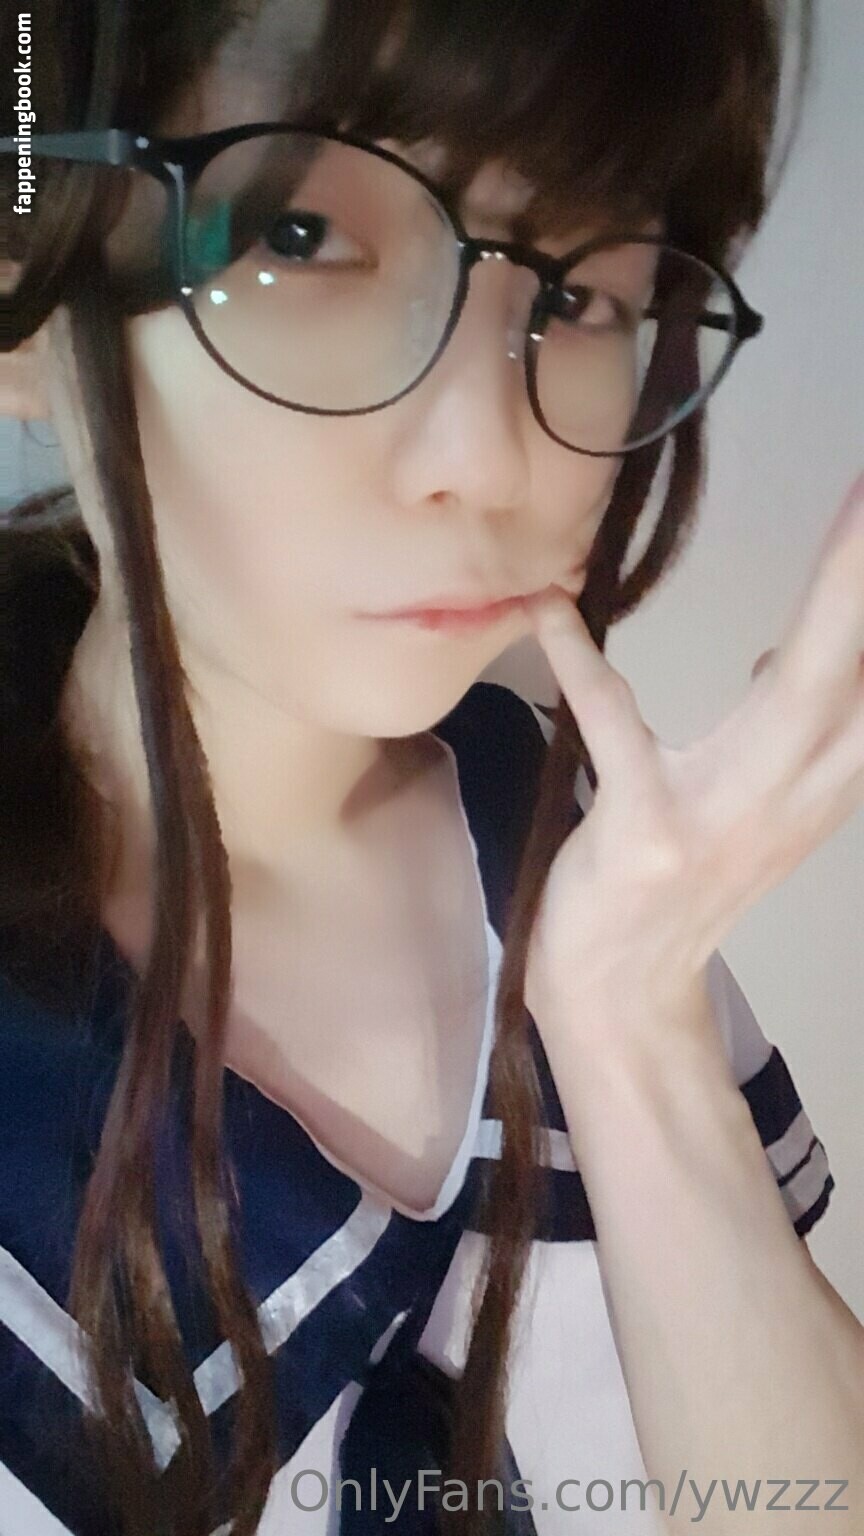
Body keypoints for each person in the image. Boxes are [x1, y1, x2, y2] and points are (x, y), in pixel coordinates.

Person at [1, 2, 862, 1534]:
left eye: (583, 296)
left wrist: (630, 1015)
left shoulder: (577, 837)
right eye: (303, 232)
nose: (494, 453)